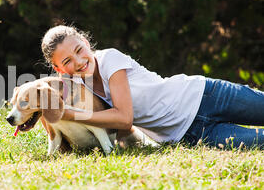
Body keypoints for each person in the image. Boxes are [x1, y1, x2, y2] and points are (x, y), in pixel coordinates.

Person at [41, 25, 264, 149]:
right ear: (59, 68)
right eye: (68, 61)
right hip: (191, 134)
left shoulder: (110, 59)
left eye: (79, 50)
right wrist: (40, 113)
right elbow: (42, 97)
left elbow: (124, 118)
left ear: (86, 43)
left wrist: (71, 114)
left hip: (205, 96)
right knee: (259, 142)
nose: (79, 61)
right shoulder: (78, 86)